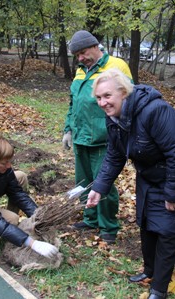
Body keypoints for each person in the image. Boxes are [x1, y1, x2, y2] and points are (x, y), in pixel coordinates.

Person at [86, 68, 175, 299]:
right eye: (99, 97)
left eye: (107, 96)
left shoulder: (155, 110)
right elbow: (114, 155)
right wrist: (99, 188)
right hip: (151, 169)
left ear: (123, 92)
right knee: (147, 218)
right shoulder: (114, 118)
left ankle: (159, 290)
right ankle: (150, 271)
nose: (102, 102)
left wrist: (173, 193)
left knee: (169, 227)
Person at [62, 30, 133, 244]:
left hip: (105, 139)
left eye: (83, 52)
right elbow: (73, 102)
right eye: (77, 55)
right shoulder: (81, 72)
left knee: (104, 183)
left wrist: (123, 132)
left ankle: (108, 226)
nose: (81, 58)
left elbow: (129, 99)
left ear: (95, 46)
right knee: (83, 182)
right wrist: (68, 129)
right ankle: (90, 218)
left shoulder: (116, 65)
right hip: (81, 138)